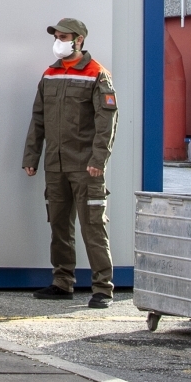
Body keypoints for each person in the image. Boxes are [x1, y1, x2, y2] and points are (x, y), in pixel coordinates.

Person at [23, 16, 119, 308]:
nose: (58, 42)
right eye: (57, 37)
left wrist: (98, 159)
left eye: (64, 38)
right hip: (55, 164)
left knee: (93, 227)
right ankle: (62, 282)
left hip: (85, 166)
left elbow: (107, 122)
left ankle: (103, 288)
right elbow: (38, 119)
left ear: (78, 40)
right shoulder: (49, 74)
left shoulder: (97, 74)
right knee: (59, 226)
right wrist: (31, 157)